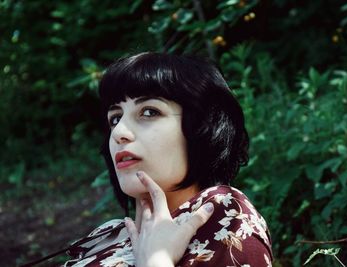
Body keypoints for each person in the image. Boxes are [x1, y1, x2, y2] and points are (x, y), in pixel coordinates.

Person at [63, 52, 273, 267]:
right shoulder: (107, 233)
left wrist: (155, 261)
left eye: (149, 112)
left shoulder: (223, 213)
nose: (119, 132)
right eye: (115, 118)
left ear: (203, 127)